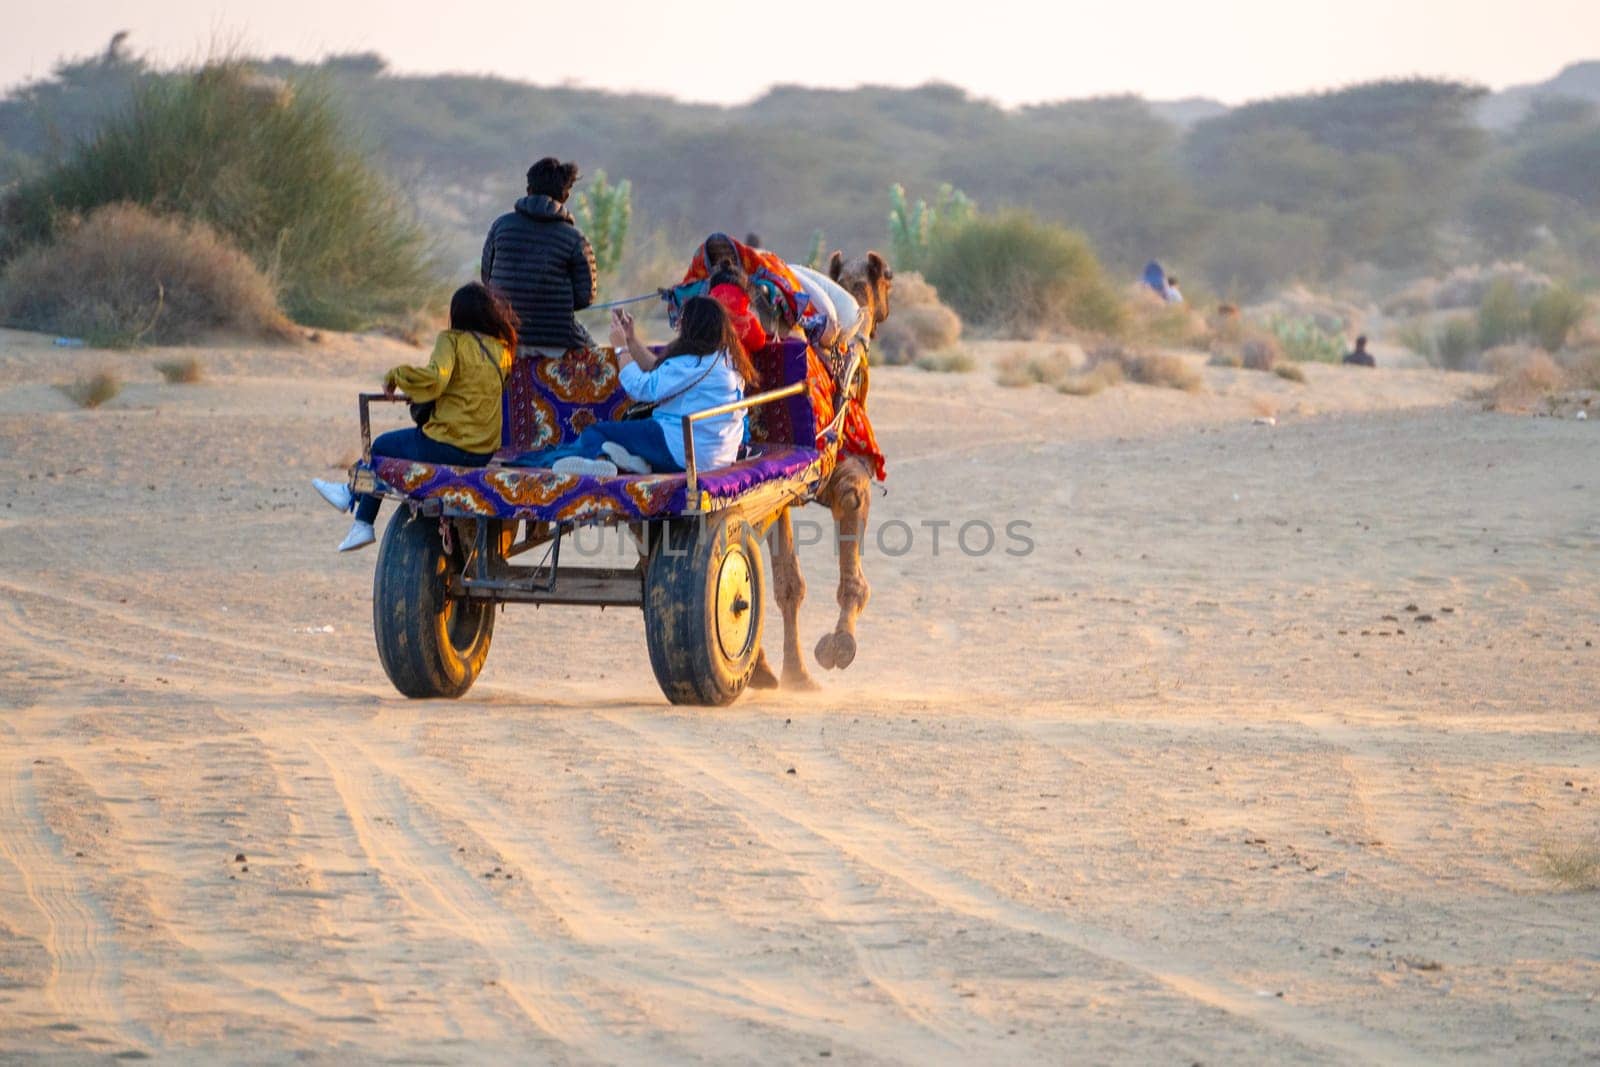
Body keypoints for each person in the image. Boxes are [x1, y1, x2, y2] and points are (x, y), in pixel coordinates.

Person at [311, 283, 517, 551]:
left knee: (381, 446)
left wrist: (397, 374)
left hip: (449, 445)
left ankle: (360, 517)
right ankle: (350, 498)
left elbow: (435, 379)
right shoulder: (501, 350)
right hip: (482, 452)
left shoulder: (451, 340)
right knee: (387, 448)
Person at [511, 297, 752, 478]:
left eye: (681, 322)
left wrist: (620, 349)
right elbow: (659, 372)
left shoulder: (693, 363)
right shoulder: (724, 360)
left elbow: (639, 388)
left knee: (597, 432)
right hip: (715, 456)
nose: (677, 327)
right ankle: (629, 460)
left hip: (682, 451)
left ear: (694, 328)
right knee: (625, 432)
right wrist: (631, 338)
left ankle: (592, 459)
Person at [480, 157, 598, 356]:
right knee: (599, 361)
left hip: (502, 336)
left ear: (528, 190)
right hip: (559, 341)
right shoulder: (575, 239)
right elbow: (586, 297)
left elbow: (487, 279)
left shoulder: (500, 227)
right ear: (566, 195)